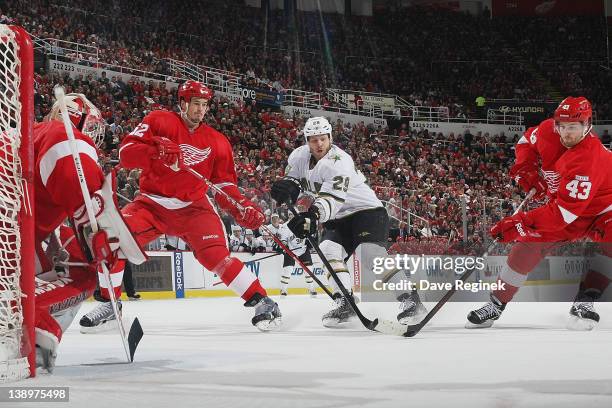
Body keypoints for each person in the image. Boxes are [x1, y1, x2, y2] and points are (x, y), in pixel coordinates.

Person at [80, 80, 281, 332]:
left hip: (194, 207)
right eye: (196, 103)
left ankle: (264, 301)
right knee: (112, 238)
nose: (200, 110)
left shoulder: (217, 141)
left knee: (215, 256)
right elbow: (127, 154)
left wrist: (242, 207)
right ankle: (110, 304)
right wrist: (155, 148)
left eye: (205, 105)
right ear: (183, 103)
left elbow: (224, 186)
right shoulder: (159, 120)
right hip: (151, 204)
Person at [466, 97, 612, 330]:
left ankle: (586, 300)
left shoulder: (588, 158)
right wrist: (526, 168)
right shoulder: (548, 130)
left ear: (587, 125)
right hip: (567, 206)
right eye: (561, 126)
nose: (566, 133)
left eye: (573, 127)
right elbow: (526, 141)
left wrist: (519, 223)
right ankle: (496, 303)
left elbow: (562, 215)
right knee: (527, 247)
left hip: (602, 209)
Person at [270, 117, 426, 327]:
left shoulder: (339, 161)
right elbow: (293, 181)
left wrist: (313, 215)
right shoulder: (298, 156)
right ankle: (346, 302)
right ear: (307, 140)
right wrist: (286, 190)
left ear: (330, 138)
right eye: (313, 139)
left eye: (323, 139)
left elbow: (332, 198)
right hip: (338, 218)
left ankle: (411, 299)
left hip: (367, 212)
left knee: (369, 255)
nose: (319, 144)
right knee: (327, 250)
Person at [31, 93, 145, 372]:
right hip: (10, 239)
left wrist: (53, 237)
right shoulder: (64, 136)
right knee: (83, 271)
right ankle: (27, 325)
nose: (91, 136)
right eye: (89, 127)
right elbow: (77, 186)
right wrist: (99, 234)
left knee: (50, 266)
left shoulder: (31, 133)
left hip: (18, 233)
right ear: (73, 119)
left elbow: (30, 197)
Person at [277, 214, 317, 297]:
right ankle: (283, 290)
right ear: (289, 216)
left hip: (303, 249)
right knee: (288, 270)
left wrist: (309, 242)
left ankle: (311, 289)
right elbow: (283, 241)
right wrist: (284, 247)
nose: (292, 216)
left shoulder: (304, 223)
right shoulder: (285, 227)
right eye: (290, 214)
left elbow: (309, 235)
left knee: (309, 269)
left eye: (293, 214)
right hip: (290, 250)